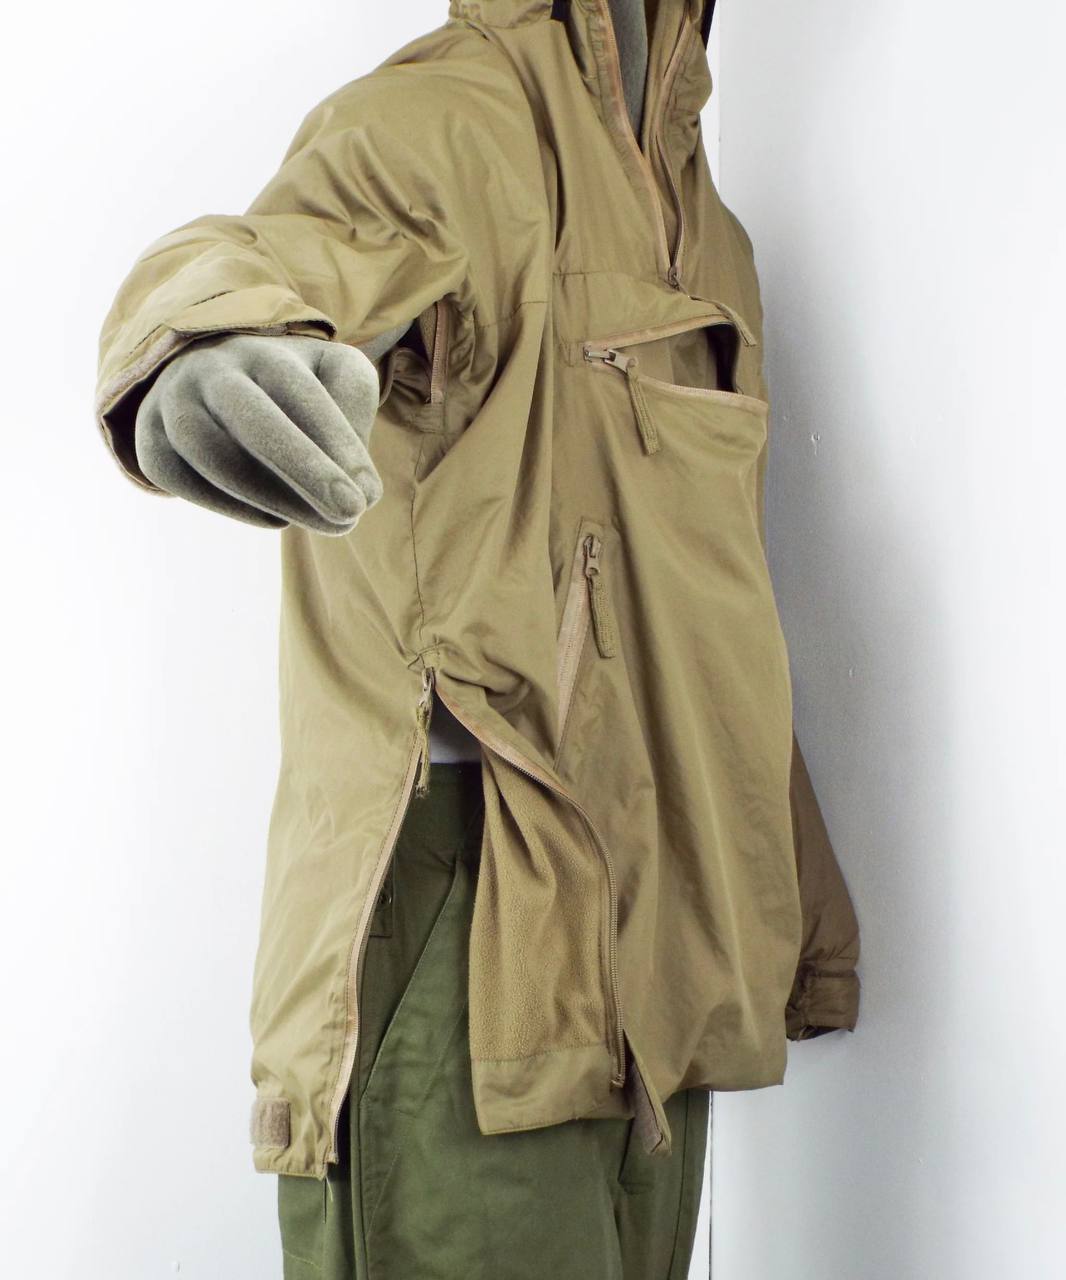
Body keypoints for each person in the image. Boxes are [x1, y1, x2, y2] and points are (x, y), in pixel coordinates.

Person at [93, 1, 862, 1275]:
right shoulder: (438, 122)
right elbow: (263, 253)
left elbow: (712, 594)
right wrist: (200, 351)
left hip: (662, 936)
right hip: (473, 915)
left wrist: (795, 924)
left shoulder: (708, 230)